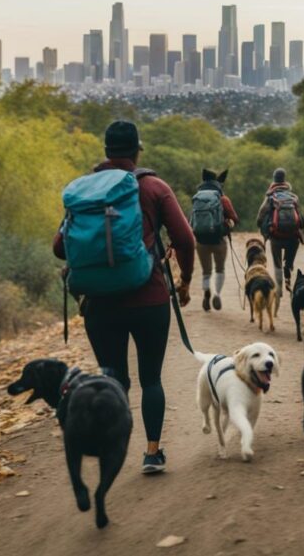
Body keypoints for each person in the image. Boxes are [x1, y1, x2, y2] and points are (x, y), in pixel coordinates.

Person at [54, 121, 195, 474]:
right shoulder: (154, 187)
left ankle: (113, 448)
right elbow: (185, 239)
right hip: (149, 298)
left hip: (100, 306)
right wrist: (185, 281)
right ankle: (152, 452)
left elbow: (59, 247)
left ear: (106, 151)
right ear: (136, 151)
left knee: (114, 379)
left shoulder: (84, 191)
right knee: (151, 379)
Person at [191, 169, 239, 312]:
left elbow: (191, 221)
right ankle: (217, 293)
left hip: (201, 242)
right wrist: (228, 225)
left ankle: (206, 290)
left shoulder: (197, 198)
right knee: (220, 269)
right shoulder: (223, 199)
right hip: (219, 240)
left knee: (206, 271)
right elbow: (235, 219)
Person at [256, 168, 304, 295]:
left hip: (276, 235)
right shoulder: (293, 197)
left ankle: (279, 288)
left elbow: (261, 214)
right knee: (289, 259)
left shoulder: (270, 197)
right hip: (292, 236)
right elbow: (300, 218)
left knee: (277, 262)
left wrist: (260, 226)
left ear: (274, 179)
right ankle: (288, 270)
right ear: (284, 180)